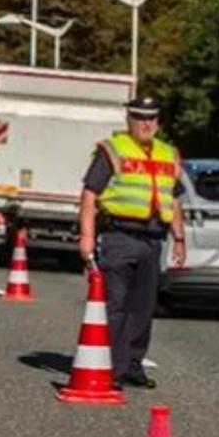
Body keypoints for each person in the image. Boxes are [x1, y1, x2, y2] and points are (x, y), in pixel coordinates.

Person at [78, 95, 187, 390]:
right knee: (116, 304)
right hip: (119, 236)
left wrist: (179, 238)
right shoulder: (113, 150)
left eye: (151, 118)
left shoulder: (168, 154)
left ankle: (132, 365)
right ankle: (110, 367)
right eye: (140, 117)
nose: (146, 123)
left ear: (159, 121)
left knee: (143, 306)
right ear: (129, 121)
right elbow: (90, 194)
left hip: (153, 239)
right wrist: (87, 237)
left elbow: (173, 198)